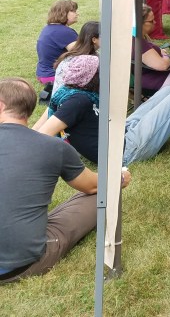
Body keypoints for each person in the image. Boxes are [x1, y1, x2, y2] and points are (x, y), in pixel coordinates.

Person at [0, 78, 131, 284]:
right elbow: (94, 186)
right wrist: (119, 178)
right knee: (103, 192)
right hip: (22, 263)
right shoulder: (53, 147)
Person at [36, 55, 170, 165]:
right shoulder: (77, 102)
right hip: (125, 151)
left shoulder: (78, 93)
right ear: (92, 77)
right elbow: (43, 134)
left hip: (120, 133)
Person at [36, 0, 79, 84]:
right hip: (54, 76)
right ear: (63, 13)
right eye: (73, 11)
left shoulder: (48, 28)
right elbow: (81, 54)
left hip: (43, 74)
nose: (77, 14)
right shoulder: (64, 32)